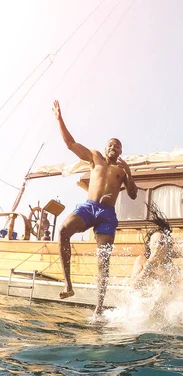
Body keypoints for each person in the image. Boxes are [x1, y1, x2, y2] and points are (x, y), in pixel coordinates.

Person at [53, 100, 138, 318]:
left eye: (117, 146)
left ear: (121, 151)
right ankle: (68, 284)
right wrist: (59, 118)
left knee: (104, 258)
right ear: (105, 146)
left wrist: (129, 174)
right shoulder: (95, 158)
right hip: (89, 207)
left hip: (107, 215)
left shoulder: (121, 170)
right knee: (63, 231)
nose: (113, 147)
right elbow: (71, 144)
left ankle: (99, 308)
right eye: (111, 144)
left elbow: (133, 194)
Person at [130, 204, 178, 289]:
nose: (158, 246)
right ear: (149, 245)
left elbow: (173, 294)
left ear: (167, 246)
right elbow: (134, 287)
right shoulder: (141, 260)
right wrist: (151, 261)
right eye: (155, 242)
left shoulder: (172, 268)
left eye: (161, 243)